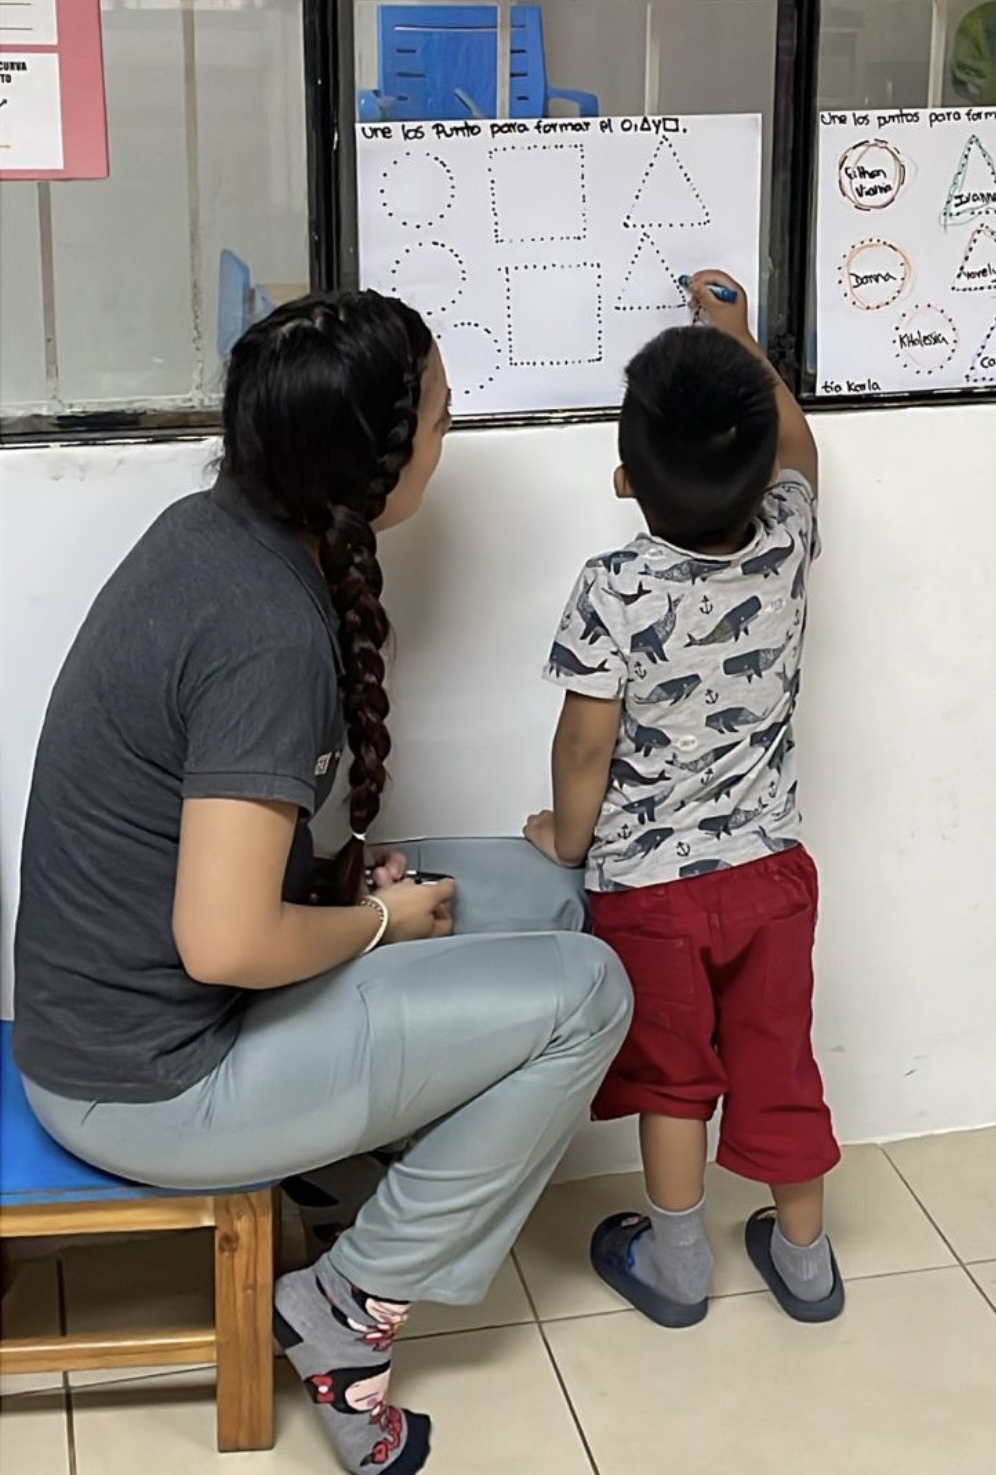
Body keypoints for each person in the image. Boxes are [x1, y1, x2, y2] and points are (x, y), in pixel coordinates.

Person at [11, 291, 632, 1475]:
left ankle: (381, 1173)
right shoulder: (260, 626)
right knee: (588, 989)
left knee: (547, 897)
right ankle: (349, 1308)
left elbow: (231, 844)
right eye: (439, 417)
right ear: (371, 462)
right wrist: (376, 920)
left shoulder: (219, 529)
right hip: (150, 1081)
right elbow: (225, 942)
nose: (448, 435)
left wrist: (351, 883)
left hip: (160, 1012)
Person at [523, 271, 843, 1329]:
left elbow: (584, 742)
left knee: (673, 1081)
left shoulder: (613, 585)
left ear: (625, 478)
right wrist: (741, 340)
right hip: (770, 879)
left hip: (650, 894)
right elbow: (799, 451)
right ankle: (805, 1262)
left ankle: (676, 1266)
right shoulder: (787, 539)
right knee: (778, 1064)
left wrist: (564, 838)